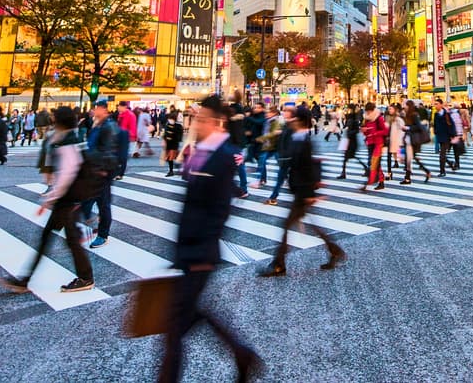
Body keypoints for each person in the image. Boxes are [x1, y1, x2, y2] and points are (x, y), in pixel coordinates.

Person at [158, 95, 261, 383]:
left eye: (202, 120)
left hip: (201, 250)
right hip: (190, 249)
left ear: (217, 122)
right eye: (196, 119)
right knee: (191, 316)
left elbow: (219, 211)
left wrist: (202, 251)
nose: (197, 124)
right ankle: (242, 355)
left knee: (175, 328)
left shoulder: (224, 157)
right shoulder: (202, 151)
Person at [0, 107, 95, 294]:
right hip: (68, 199)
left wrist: (51, 197)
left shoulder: (68, 142)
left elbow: (67, 174)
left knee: (65, 240)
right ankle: (25, 279)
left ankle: (85, 277)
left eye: (54, 118)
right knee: (49, 239)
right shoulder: (68, 139)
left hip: (68, 200)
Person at [259, 107, 346, 277]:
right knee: (311, 224)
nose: (290, 121)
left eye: (293, 119)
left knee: (288, 225)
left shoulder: (303, 140)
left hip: (302, 191)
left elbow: (307, 167)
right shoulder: (298, 137)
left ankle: (279, 263)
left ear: (299, 121)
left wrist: (309, 194)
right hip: (300, 189)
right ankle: (334, 250)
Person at [81, 101, 121, 249]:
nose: (94, 111)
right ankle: (95, 224)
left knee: (103, 204)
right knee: (87, 202)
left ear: (103, 110)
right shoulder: (97, 125)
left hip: (102, 171)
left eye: (96, 108)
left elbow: (108, 149)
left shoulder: (108, 126)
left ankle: (103, 235)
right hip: (93, 169)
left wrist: (102, 169)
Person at [401, 101, 432, 184]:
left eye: (405, 105)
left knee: (409, 158)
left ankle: (408, 178)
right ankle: (426, 172)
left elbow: (418, 126)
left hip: (413, 140)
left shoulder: (414, 115)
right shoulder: (408, 115)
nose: (404, 107)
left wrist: (407, 128)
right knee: (411, 158)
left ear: (409, 106)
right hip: (409, 139)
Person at [360, 102, 388, 191]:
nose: (367, 113)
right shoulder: (367, 119)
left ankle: (375, 181)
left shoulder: (378, 118)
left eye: (368, 111)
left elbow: (385, 131)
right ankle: (378, 180)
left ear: (372, 110)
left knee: (375, 163)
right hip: (370, 142)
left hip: (378, 143)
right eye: (366, 111)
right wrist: (364, 131)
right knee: (374, 163)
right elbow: (365, 130)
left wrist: (374, 133)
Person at [433, 100, 459, 176]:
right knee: (442, 154)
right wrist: (436, 131)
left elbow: (451, 125)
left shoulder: (446, 114)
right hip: (440, 136)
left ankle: (442, 171)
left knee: (442, 154)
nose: (435, 106)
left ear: (441, 105)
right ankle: (451, 164)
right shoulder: (436, 114)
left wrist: (453, 135)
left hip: (447, 137)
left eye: (437, 104)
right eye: (435, 104)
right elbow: (435, 125)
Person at [163, 109, 185, 177]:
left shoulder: (178, 126)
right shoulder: (167, 125)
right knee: (170, 158)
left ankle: (171, 171)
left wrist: (177, 138)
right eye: (169, 119)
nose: (170, 120)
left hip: (174, 144)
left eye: (171, 119)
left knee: (171, 158)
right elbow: (165, 134)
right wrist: (164, 140)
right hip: (168, 144)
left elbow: (180, 135)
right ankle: (178, 167)